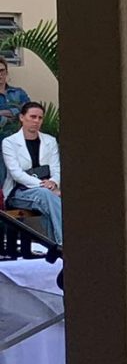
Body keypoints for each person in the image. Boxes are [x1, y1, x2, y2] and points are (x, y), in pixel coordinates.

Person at [2, 102, 62, 245]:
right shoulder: (9, 142)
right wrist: (43, 185)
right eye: (33, 117)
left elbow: (56, 168)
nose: (36, 121)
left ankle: (53, 247)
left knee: (48, 203)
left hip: (48, 190)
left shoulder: (50, 141)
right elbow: (16, 173)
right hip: (19, 191)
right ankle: (63, 243)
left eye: (40, 118)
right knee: (47, 195)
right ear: (22, 117)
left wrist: (53, 182)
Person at [0, 61, 30, 139]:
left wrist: (10, 112)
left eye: (2, 71)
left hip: (18, 141)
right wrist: (16, 111)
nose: (0, 74)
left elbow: (28, 111)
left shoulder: (19, 92)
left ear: (6, 73)